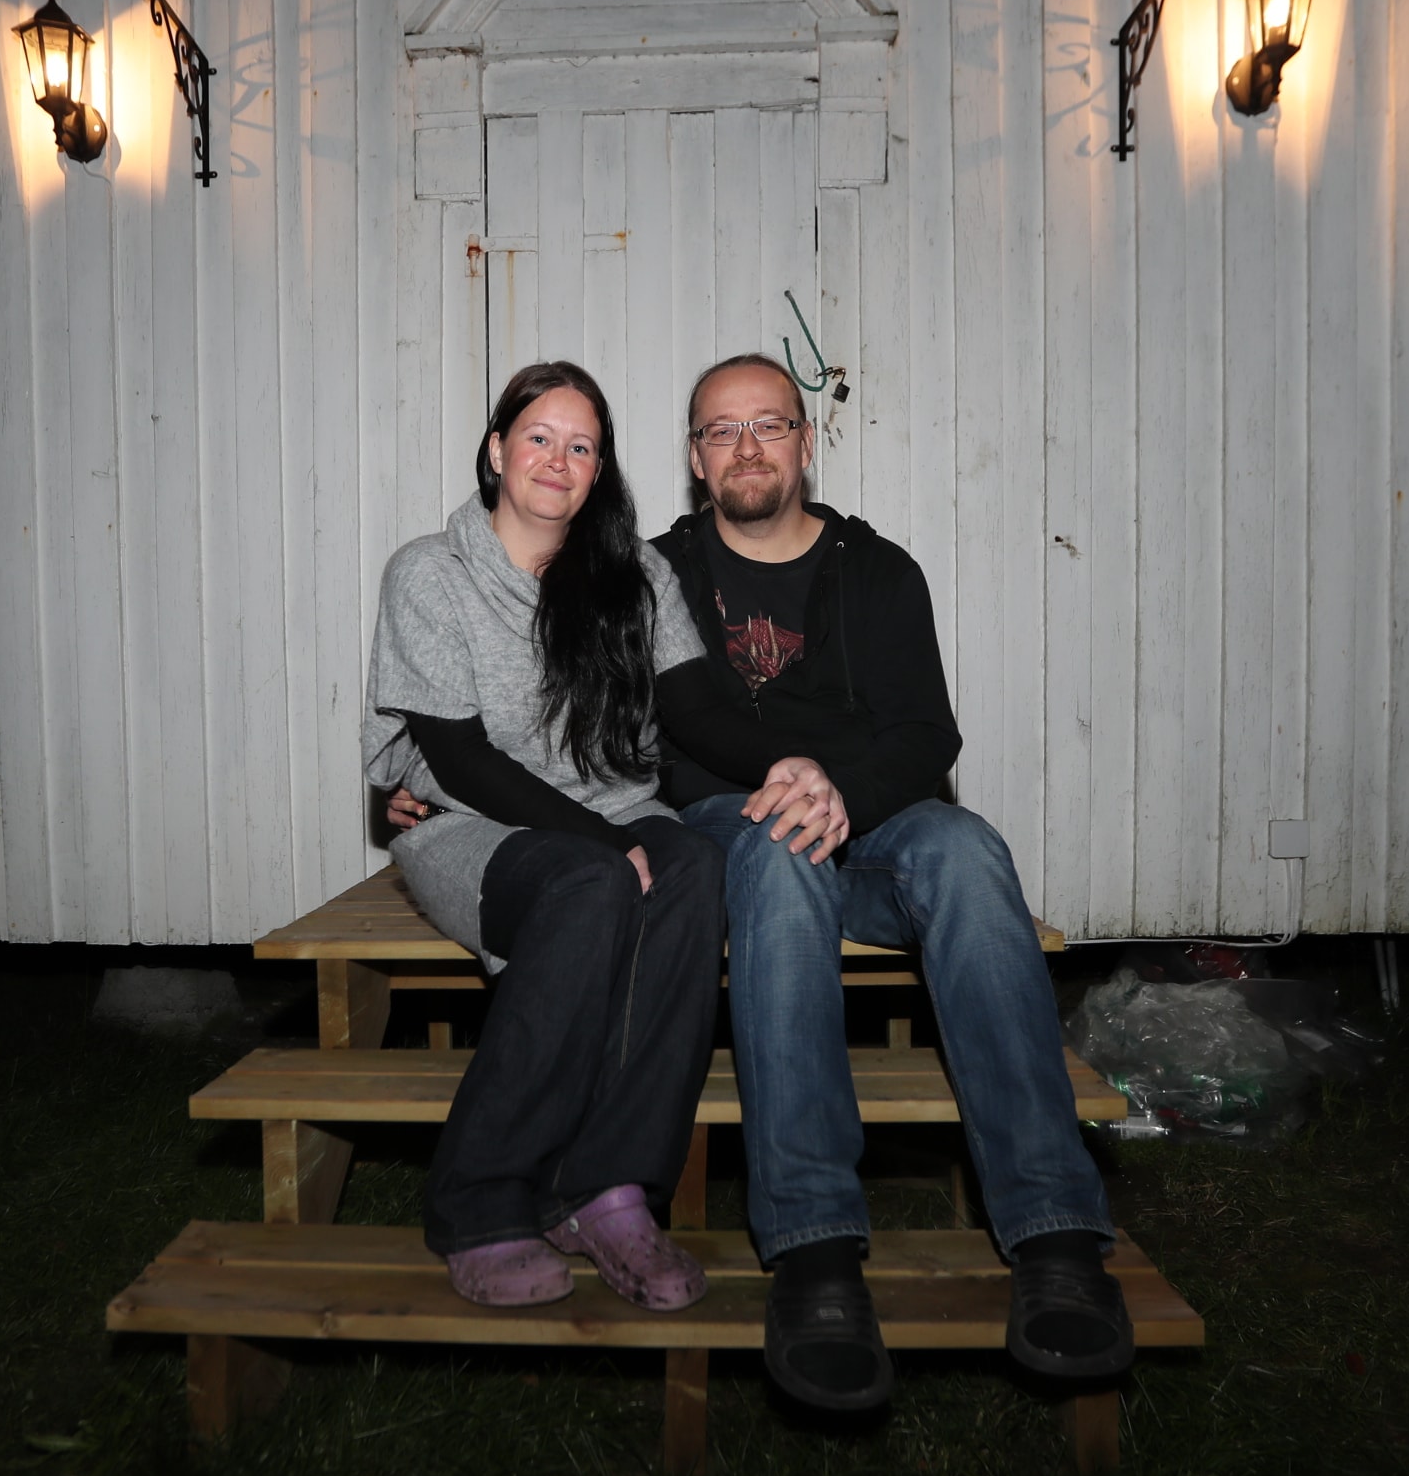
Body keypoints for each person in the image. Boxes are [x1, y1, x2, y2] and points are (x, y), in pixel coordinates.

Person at [649, 353, 1132, 1410]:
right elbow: (638, 729)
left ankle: (1055, 1235)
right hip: (734, 823)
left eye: (770, 425)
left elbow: (924, 734)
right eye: (722, 430)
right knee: (779, 848)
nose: (746, 448)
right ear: (694, 456)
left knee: (968, 849)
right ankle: (815, 1249)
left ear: (807, 440)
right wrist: (786, 785)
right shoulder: (657, 575)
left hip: (871, 820)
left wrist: (841, 794)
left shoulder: (878, 571)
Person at [362, 361, 725, 1311]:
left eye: (582, 446)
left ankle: (607, 1191)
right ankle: (480, 1198)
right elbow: (458, 756)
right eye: (538, 437)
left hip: (614, 812)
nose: (558, 460)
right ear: (496, 451)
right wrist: (600, 840)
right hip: (467, 821)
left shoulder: (633, 574)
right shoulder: (431, 573)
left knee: (694, 866)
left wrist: (812, 766)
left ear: (600, 471)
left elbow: (700, 713)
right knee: (589, 882)